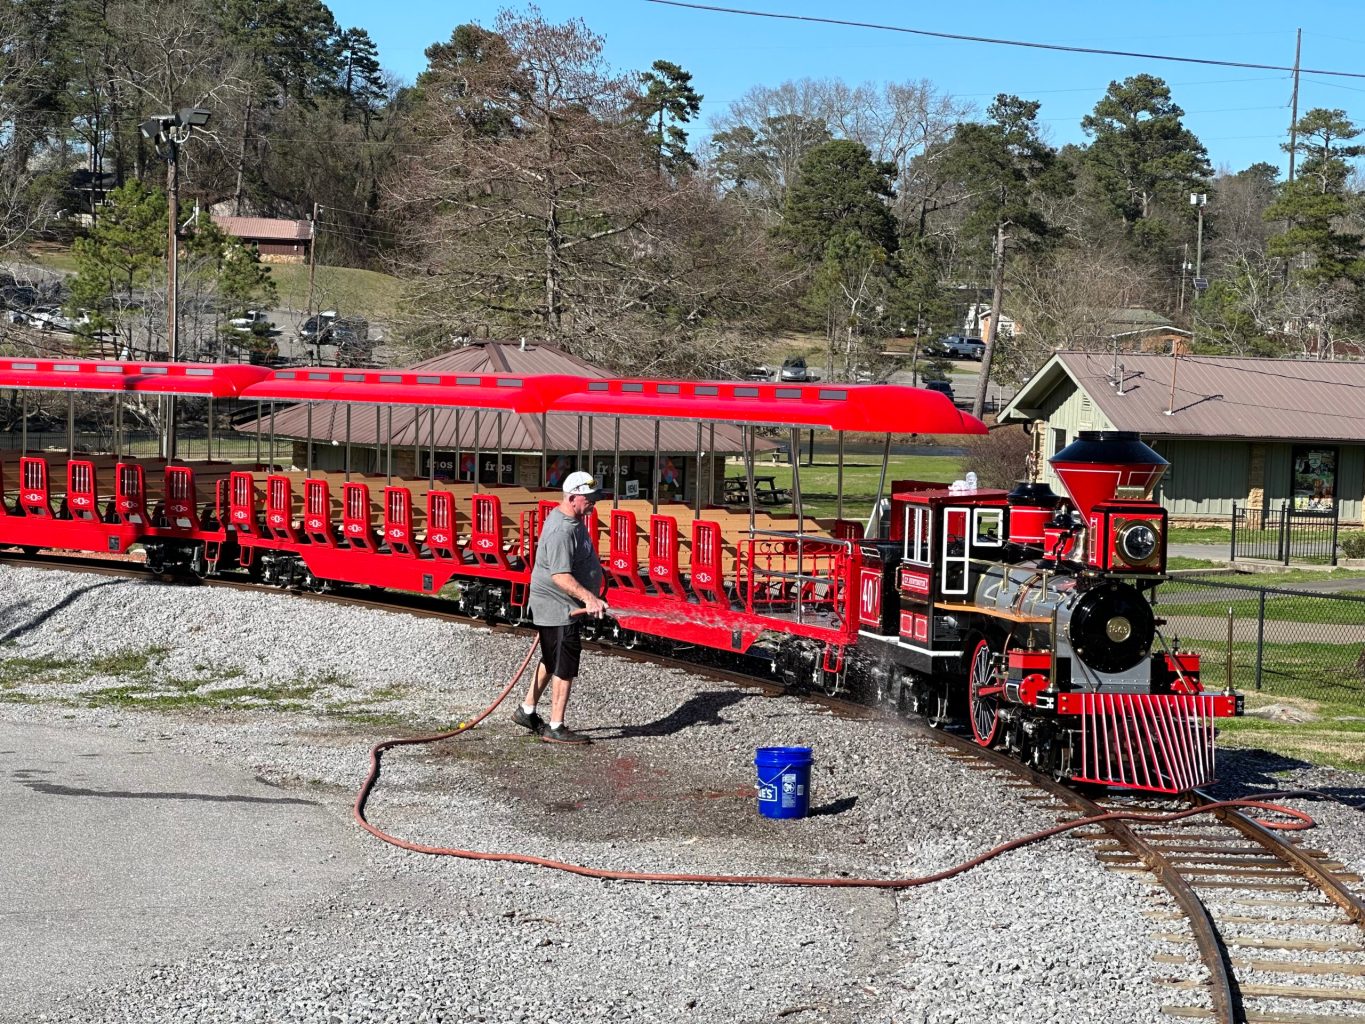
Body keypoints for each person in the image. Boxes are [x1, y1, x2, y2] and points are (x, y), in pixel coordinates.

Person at [514, 470, 608, 745]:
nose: (594, 503)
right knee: (564, 665)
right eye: (589, 498)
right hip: (558, 607)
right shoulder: (561, 530)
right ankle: (556, 726)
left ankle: (527, 710)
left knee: (551, 658)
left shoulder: (571, 519)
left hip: (561, 604)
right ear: (573, 497)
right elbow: (560, 576)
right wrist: (589, 598)